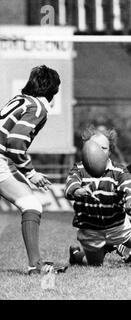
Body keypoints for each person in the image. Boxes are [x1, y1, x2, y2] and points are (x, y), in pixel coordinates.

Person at [0, 65, 67, 275]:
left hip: (4, 159)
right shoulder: (39, 107)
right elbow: (15, 142)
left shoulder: (19, 100)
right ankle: (35, 265)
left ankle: (36, 264)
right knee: (31, 205)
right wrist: (31, 173)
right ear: (53, 90)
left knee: (31, 204)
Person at [66, 126, 131, 266]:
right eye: (94, 147)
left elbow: (129, 190)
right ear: (86, 149)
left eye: (103, 148)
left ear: (110, 151)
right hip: (90, 230)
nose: (97, 152)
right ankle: (76, 255)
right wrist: (77, 191)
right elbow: (70, 185)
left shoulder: (119, 171)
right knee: (95, 264)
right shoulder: (79, 169)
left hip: (116, 226)